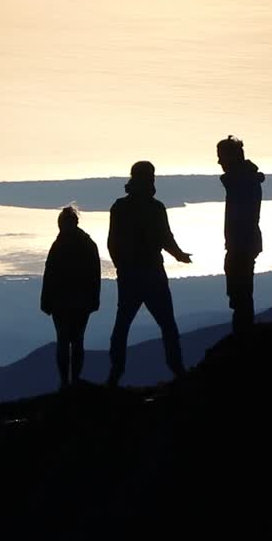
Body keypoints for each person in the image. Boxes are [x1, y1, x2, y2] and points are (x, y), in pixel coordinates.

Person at [106, 161, 193, 387]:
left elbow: (112, 243)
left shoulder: (121, 207)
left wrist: (122, 267)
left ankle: (115, 374)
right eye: (150, 177)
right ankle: (177, 370)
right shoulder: (155, 208)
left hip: (132, 275)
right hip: (152, 273)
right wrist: (178, 254)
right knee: (166, 325)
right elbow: (166, 237)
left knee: (123, 325)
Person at [40, 206, 101, 389]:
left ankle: (67, 382)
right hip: (80, 302)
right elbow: (95, 275)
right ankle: (72, 381)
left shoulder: (58, 245)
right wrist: (94, 300)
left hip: (63, 302)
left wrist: (46, 301)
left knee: (64, 340)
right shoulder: (88, 244)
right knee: (76, 340)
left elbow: (49, 274)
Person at [217, 136, 265, 335]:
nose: (219, 162)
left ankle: (243, 337)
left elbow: (228, 180)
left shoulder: (241, 181)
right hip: (243, 244)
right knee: (241, 294)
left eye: (221, 157)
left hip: (241, 245)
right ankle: (243, 334)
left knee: (241, 295)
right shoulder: (246, 179)